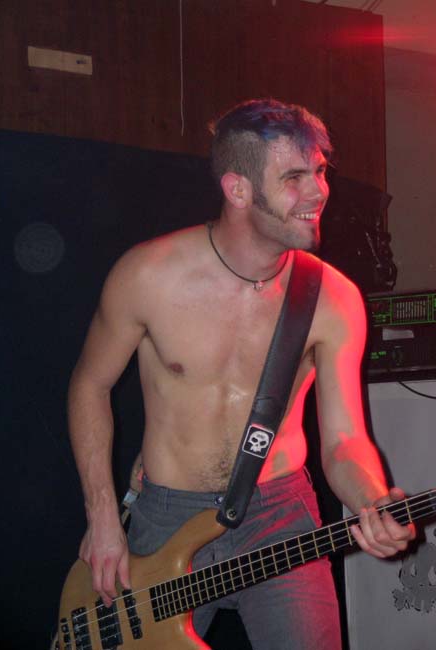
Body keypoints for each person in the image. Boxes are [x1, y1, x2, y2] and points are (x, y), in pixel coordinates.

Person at [68, 99, 414, 649]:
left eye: (320, 171)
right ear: (238, 189)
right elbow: (90, 386)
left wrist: (372, 501)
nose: (318, 192)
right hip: (166, 513)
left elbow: (344, 439)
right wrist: (103, 515)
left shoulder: (335, 299)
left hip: (279, 513)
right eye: (294, 178)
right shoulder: (148, 277)